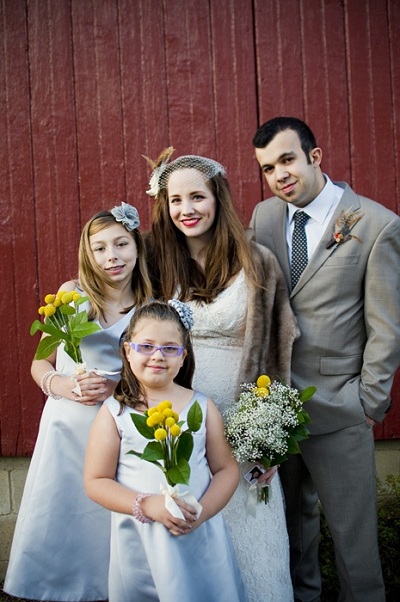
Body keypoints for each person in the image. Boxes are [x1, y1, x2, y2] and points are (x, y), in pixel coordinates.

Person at [250, 116, 400, 602]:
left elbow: (387, 326)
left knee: (354, 548)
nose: (279, 176)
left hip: (341, 409)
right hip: (276, 410)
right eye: (268, 168)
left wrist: (368, 402)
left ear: (315, 157)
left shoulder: (376, 225)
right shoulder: (265, 217)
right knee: (292, 539)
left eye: (287, 160)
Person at [144, 148, 299, 602]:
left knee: (252, 533)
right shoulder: (155, 265)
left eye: (198, 197)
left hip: (242, 413)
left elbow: (276, 353)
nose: (186, 210)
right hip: (175, 417)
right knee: (191, 532)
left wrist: (269, 439)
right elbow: (107, 284)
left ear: (218, 198)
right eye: (175, 200)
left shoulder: (257, 262)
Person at [4, 203, 152, 602]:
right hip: (67, 421)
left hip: (118, 423)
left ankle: (112, 589)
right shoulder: (72, 296)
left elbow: (157, 369)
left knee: (106, 517)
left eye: (121, 244)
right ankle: (54, 586)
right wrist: (62, 384)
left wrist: (118, 387)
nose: (112, 256)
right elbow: (41, 362)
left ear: (137, 245)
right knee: (64, 507)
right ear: (88, 253)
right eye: (100, 248)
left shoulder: (151, 303)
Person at [83, 300, 247, 602]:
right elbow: (96, 481)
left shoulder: (202, 406)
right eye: (146, 346)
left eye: (170, 348)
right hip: (142, 541)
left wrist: (202, 513)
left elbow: (227, 470)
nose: (158, 356)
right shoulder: (114, 413)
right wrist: (147, 505)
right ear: (127, 350)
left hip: (199, 535)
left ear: (183, 357)